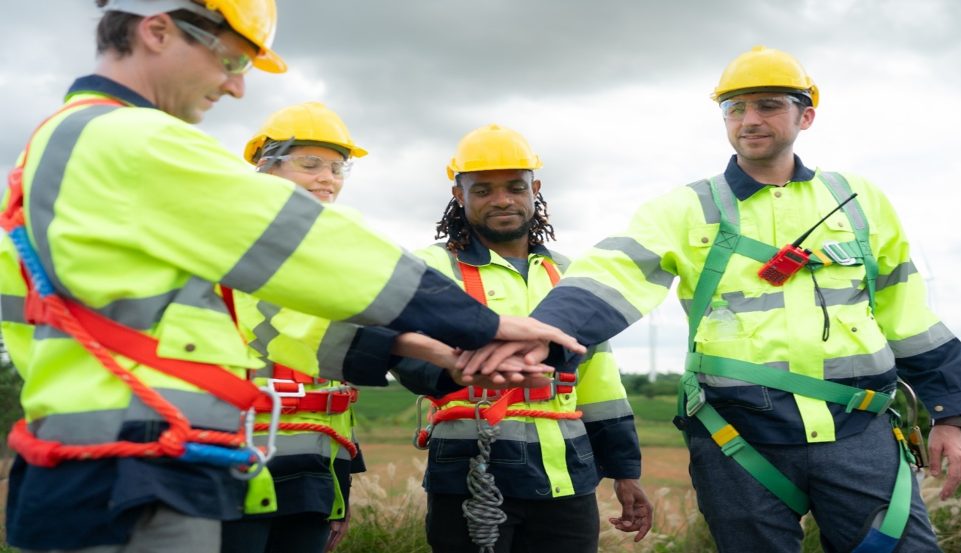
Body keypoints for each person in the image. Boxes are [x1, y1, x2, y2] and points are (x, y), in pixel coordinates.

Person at [0, 2, 583, 551]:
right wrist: (481, 324)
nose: (236, 85)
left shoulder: (61, 147)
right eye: (231, 60)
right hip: (133, 465)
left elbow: (270, 323)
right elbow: (311, 249)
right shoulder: (133, 140)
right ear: (157, 32)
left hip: (112, 456)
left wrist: (432, 351)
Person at [464, 46, 961, 552]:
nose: (750, 120)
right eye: (735, 108)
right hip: (738, 437)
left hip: (859, 430)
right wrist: (531, 342)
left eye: (768, 106)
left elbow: (908, 311)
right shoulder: (684, 208)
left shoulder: (857, 201)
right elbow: (612, 277)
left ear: (805, 117)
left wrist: (952, 415)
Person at [348, 124, 652, 553]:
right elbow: (400, 350)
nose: (503, 200)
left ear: (535, 188)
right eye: (483, 190)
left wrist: (625, 471)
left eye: (515, 187)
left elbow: (600, 377)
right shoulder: (429, 266)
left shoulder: (572, 273)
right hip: (469, 474)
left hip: (566, 476)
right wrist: (460, 371)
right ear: (459, 194)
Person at [218, 102, 370, 553]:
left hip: (312, 473)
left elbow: (336, 389)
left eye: (337, 168)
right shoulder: (222, 240)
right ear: (266, 166)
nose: (328, 179)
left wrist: (340, 491)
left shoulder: (339, 256)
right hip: (230, 462)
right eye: (310, 164)